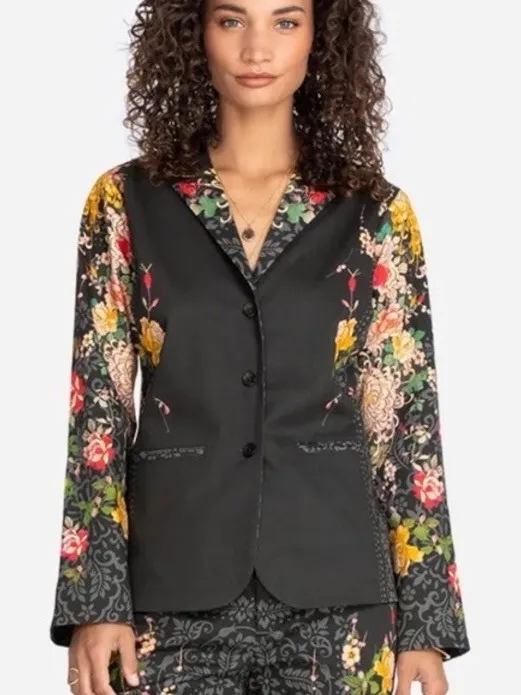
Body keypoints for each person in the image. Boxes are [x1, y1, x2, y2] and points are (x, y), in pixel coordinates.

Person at [50, 1, 470, 693]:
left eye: (285, 21)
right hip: (168, 589)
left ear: (320, 38)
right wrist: (94, 602)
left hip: (341, 596)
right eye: (230, 20)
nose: (256, 48)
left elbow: (405, 425)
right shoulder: (124, 202)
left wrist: (426, 624)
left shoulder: (375, 212)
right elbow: (97, 411)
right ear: (193, 34)